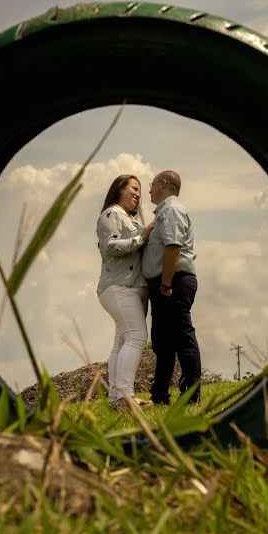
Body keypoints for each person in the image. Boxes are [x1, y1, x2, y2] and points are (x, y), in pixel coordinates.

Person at [142, 170, 202, 405]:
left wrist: (166, 283)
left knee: (182, 336)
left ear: (163, 183)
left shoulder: (172, 210)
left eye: (151, 184)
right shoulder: (164, 212)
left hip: (173, 281)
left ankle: (191, 395)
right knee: (163, 342)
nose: (149, 189)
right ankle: (159, 395)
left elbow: (173, 248)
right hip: (165, 282)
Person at [96, 174, 155, 409]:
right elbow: (111, 246)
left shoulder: (127, 218)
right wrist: (142, 237)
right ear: (119, 188)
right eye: (134, 188)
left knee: (121, 343)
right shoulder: (111, 214)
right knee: (137, 337)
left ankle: (116, 400)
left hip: (130, 288)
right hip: (120, 287)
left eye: (140, 190)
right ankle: (125, 397)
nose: (138, 194)